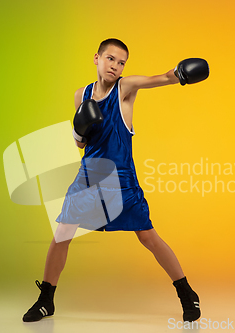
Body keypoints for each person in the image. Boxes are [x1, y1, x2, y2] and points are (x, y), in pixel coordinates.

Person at [22, 38, 209, 323]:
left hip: (121, 180)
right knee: (62, 235)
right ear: (96, 58)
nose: (116, 66)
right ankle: (46, 299)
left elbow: (159, 78)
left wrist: (178, 76)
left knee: (148, 236)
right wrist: (80, 127)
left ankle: (187, 293)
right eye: (111, 59)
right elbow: (81, 144)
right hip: (88, 178)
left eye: (121, 62)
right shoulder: (80, 95)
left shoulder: (125, 88)